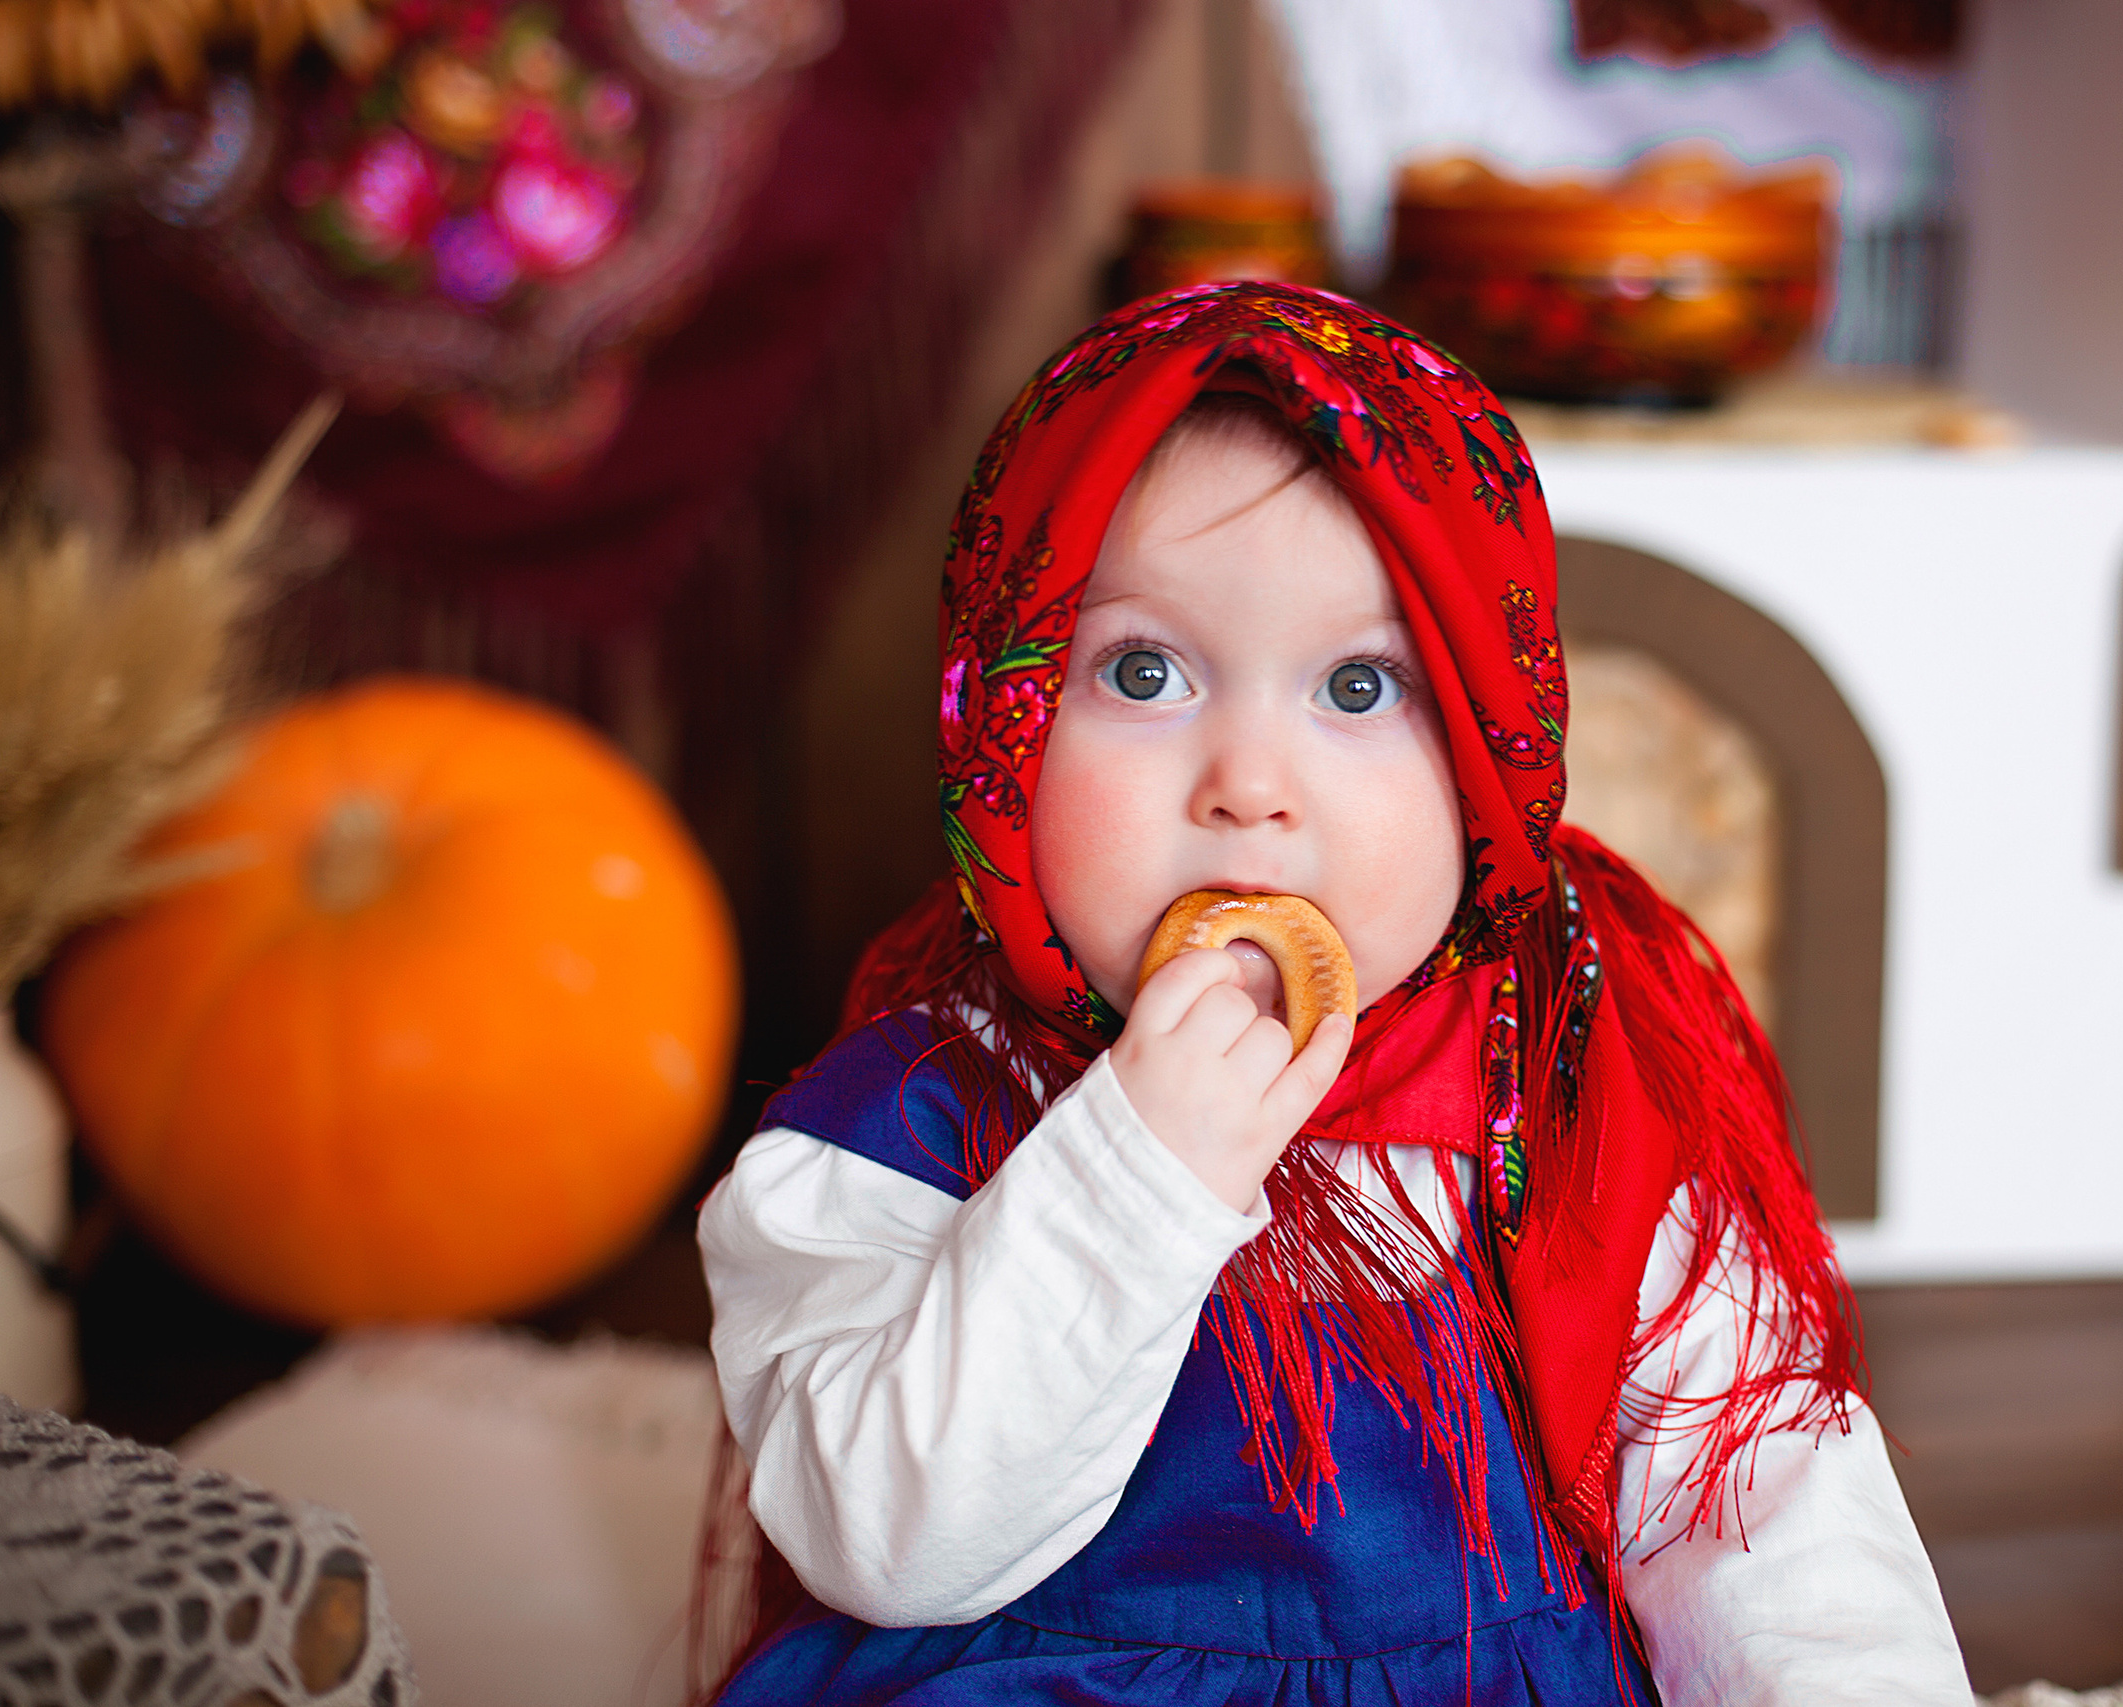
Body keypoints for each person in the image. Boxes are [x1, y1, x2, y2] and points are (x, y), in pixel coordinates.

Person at [699, 282, 1969, 1705]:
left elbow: (1769, 1527)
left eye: (1359, 690)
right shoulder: (899, 1128)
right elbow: (891, 1546)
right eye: (1143, 669)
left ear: (1494, 758)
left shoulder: (1564, 1093)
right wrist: (1137, 1165)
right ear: (1002, 722)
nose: (1250, 785)